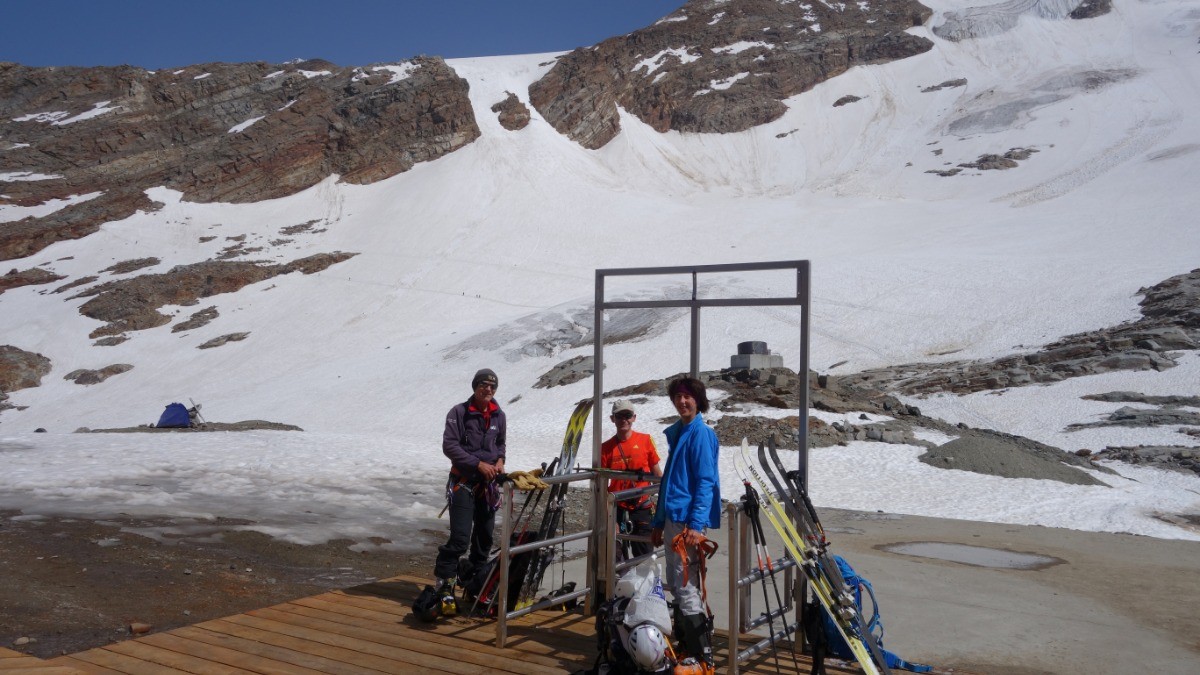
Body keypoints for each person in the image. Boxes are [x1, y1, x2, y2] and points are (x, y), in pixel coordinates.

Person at [651, 376, 720, 671]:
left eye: (687, 396)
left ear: (698, 400)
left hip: (686, 524)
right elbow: (669, 484)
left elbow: (706, 482)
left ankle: (701, 657)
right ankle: (685, 647)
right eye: (678, 397)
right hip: (673, 519)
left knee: (686, 585)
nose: (682, 402)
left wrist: (695, 524)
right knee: (679, 584)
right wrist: (658, 521)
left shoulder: (699, 434)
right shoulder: (680, 433)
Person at [426, 368, 506, 616]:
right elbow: (449, 445)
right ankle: (445, 583)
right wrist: (478, 464)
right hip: (463, 483)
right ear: (474, 387)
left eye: (492, 387)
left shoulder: (498, 415)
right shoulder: (459, 413)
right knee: (461, 538)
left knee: (483, 538)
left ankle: (475, 585)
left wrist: (500, 460)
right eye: (484, 385)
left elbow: (501, 443)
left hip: (489, 486)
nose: (488, 390)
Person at [600, 399, 662, 561]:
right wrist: (609, 518)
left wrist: (664, 513)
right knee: (615, 558)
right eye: (619, 416)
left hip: (642, 508)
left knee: (644, 557)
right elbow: (602, 487)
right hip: (617, 510)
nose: (623, 420)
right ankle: (619, 586)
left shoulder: (645, 440)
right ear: (612, 419)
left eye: (627, 415)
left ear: (634, 417)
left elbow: (658, 477)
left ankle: (644, 586)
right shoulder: (605, 448)